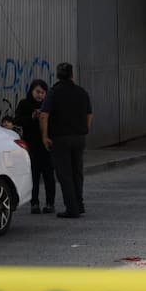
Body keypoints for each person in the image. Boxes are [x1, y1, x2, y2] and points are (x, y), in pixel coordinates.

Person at [39, 62, 92, 219]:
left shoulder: (53, 92)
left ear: (57, 75)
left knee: (64, 174)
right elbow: (89, 114)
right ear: (72, 75)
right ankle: (79, 204)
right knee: (77, 172)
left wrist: (45, 136)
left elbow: (44, 115)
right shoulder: (81, 92)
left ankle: (72, 208)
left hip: (60, 138)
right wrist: (85, 129)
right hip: (79, 137)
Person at [15, 78, 55, 214]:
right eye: (37, 92)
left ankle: (50, 203)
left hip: (46, 145)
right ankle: (34, 203)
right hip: (31, 145)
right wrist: (32, 117)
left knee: (49, 175)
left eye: (43, 93)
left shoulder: (48, 105)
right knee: (33, 175)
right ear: (31, 91)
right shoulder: (24, 104)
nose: (40, 95)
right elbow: (18, 120)